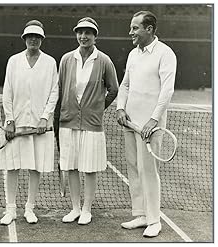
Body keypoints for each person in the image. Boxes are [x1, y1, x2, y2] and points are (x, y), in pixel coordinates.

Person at [116, 11, 177, 237]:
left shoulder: (165, 54)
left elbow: (167, 90)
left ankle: (154, 220)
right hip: (130, 124)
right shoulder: (133, 54)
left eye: (135, 28)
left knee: (148, 170)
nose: (130, 32)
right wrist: (121, 108)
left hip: (150, 126)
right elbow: (125, 85)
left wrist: (153, 119)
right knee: (133, 166)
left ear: (149, 29)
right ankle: (141, 214)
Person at [55, 17, 118, 225]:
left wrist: (98, 108)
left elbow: (113, 89)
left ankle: (87, 209)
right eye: (80, 32)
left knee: (89, 168)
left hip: (92, 124)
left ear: (95, 36)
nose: (83, 36)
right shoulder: (66, 59)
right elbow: (60, 88)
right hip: (68, 121)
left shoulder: (104, 60)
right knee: (71, 166)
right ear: (76, 35)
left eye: (88, 33)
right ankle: (74, 208)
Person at [0, 20, 58, 225]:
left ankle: (29, 208)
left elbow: (54, 92)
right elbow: (7, 92)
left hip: (39, 126)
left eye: (37, 36)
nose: (34, 39)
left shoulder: (50, 62)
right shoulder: (13, 61)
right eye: (30, 36)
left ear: (41, 39)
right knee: (12, 166)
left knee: (35, 167)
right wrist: (10, 120)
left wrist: (44, 117)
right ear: (24, 39)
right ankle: (10, 209)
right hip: (16, 123)